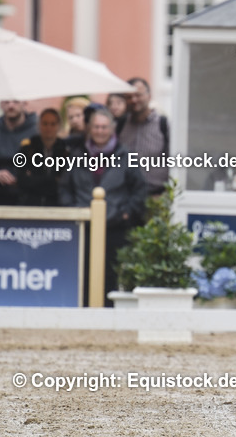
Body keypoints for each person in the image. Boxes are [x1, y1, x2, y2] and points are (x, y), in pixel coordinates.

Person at [59, 108, 148, 302]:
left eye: (104, 127)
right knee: (83, 272)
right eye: (96, 127)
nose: (100, 131)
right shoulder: (75, 155)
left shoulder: (126, 156)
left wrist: (127, 213)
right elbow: (65, 187)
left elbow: (139, 190)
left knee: (111, 275)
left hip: (115, 227)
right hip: (83, 227)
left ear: (112, 129)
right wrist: (72, 209)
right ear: (90, 129)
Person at [117, 78, 170, 197]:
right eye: (129, 97)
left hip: (156, 197)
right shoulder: (121, 125)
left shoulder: (163, 125)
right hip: (126, 198)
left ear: (149, 96)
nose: (134, 100)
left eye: (138, 95)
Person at [0, 100, 38, 205]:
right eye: (6, 102)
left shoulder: (38, 133)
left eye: (15, 102)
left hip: (31, 200)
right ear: (0, 104)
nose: (11, 105)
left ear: (24, 102)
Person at [17, 108, 72, 207]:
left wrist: (36, 179)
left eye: (53, 124)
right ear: (39, 125)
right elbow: (22, 180)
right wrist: (52, 180)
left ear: (59, 126)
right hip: (30, 204)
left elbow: (65, 182)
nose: (48, 128)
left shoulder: (66, 151)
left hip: (57, 204)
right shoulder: (27, 149)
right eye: (45, 123)